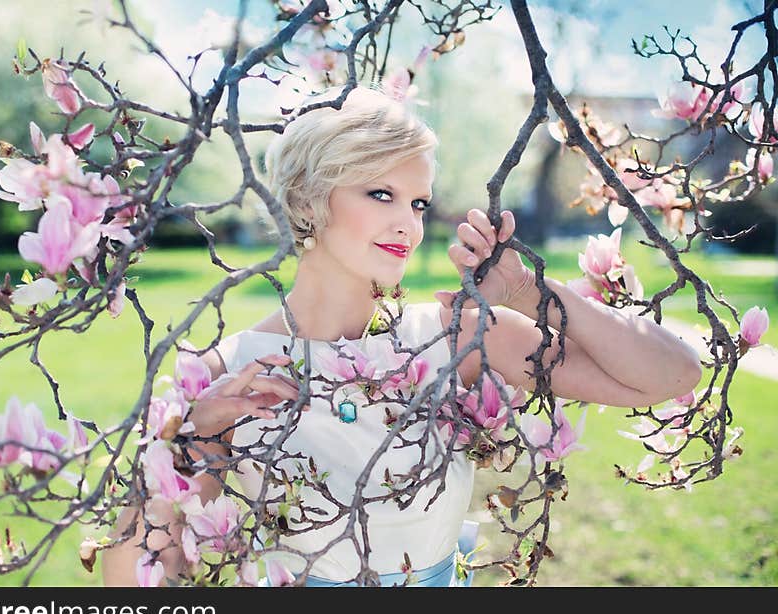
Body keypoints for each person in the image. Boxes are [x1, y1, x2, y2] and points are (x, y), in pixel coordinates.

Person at [101, 85, 702, 587]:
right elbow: (139, 586)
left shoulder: (453, 338)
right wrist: (184, 443)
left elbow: (672, 376)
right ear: (308, 200)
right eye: (381, 194)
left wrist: (528, 292)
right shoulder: (230, 373)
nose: (407, 224)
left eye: (418, 203)